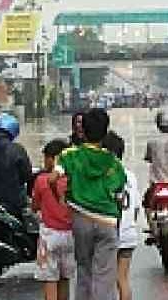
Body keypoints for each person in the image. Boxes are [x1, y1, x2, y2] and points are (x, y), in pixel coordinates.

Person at [52, 108, 127, 300]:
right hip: (107, 221)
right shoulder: (113, 162)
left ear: (82, 131)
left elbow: (53, 179)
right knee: (105, 276)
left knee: (83, 270)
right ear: (105, 132)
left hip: (80, 219)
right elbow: (118, 190)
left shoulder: (69, 155)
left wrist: (62, 199)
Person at [32, 139, 75, 300]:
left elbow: (35, 206)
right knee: (65, 279)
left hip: (49, 236)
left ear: (53, 159)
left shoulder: (41, 180)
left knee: (50, 280)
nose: (44, 162)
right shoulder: (72, 180)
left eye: (46, 158)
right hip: (70, 235)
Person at [101, 131, 140, 300]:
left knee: (103, 281)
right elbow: (136, 208)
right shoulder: (130, 176)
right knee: (122, 279)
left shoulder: (101, 176)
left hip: (107, 235)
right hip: (128, 234)